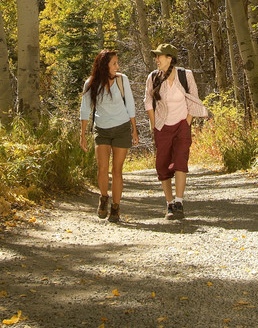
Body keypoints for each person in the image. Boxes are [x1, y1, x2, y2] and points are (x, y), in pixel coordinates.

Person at [144, 43, 208, 220]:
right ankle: (169, 203)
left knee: (180, 161)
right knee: (162, 165)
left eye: (159, 56)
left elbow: (194, 99)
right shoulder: (153, 77)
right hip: (162, 126)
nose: (156, 60)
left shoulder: (185, 75)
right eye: (156, 56)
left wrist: (187, 122)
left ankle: (179, 202)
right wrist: (154, 124)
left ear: (169, 58)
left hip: (181, 125)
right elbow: (148, 101)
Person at [80, 49, 139, 222]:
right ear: (104, 65)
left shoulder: (122, 80)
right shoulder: (91, 83)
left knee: (117, 170)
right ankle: (104, 197)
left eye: (117, 63)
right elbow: (85, 109)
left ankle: (115, 207)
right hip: (102, 130)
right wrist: (82, 135)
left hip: (122, 128)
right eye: (114, 63)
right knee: (102, 168)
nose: (117, 66)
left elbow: (130, 104)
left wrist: (134, 129)